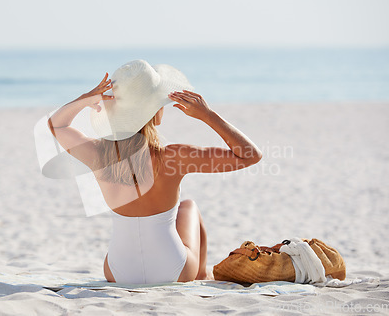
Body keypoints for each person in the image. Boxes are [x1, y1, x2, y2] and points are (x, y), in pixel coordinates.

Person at [47, 60, 262, 284]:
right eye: (159, 102)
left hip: (119, 272)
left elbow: (57, 125)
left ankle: (196, 272)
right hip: (174, 269)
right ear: (153, 112)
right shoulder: (174, 157)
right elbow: (250, 155)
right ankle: (201, 274)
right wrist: (208, 115)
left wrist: (83, 99)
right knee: (188, 207)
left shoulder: (98, 155)